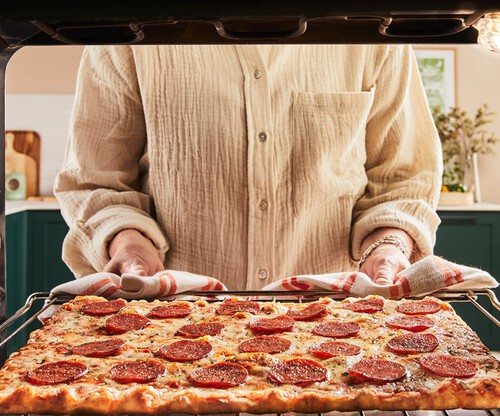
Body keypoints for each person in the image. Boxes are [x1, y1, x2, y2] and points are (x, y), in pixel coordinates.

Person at [54, 44, 442, 289]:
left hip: (336, 331)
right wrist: (128, 240)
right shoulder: (129, 31)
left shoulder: (372, 29)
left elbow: (403, 175)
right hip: (170, 330)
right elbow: (96, 180)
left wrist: (388, 242)